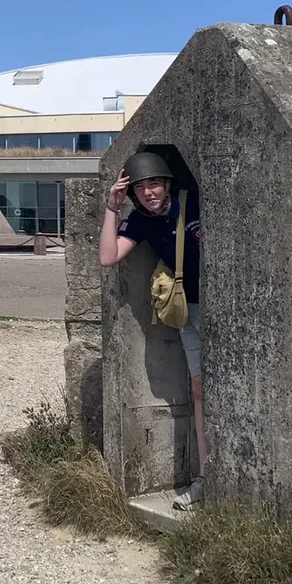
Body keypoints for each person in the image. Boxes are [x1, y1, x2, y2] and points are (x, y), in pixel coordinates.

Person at [98, 151, 205, 510]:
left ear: (168, 184)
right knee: (199, 390)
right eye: (140, 188)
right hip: (188, 310)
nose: (148, 193)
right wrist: (112, 208)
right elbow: (108, 257)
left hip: (224, 307)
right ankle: (205, 476)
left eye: (154, 184)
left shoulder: (194, 204)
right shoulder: (141, 220)